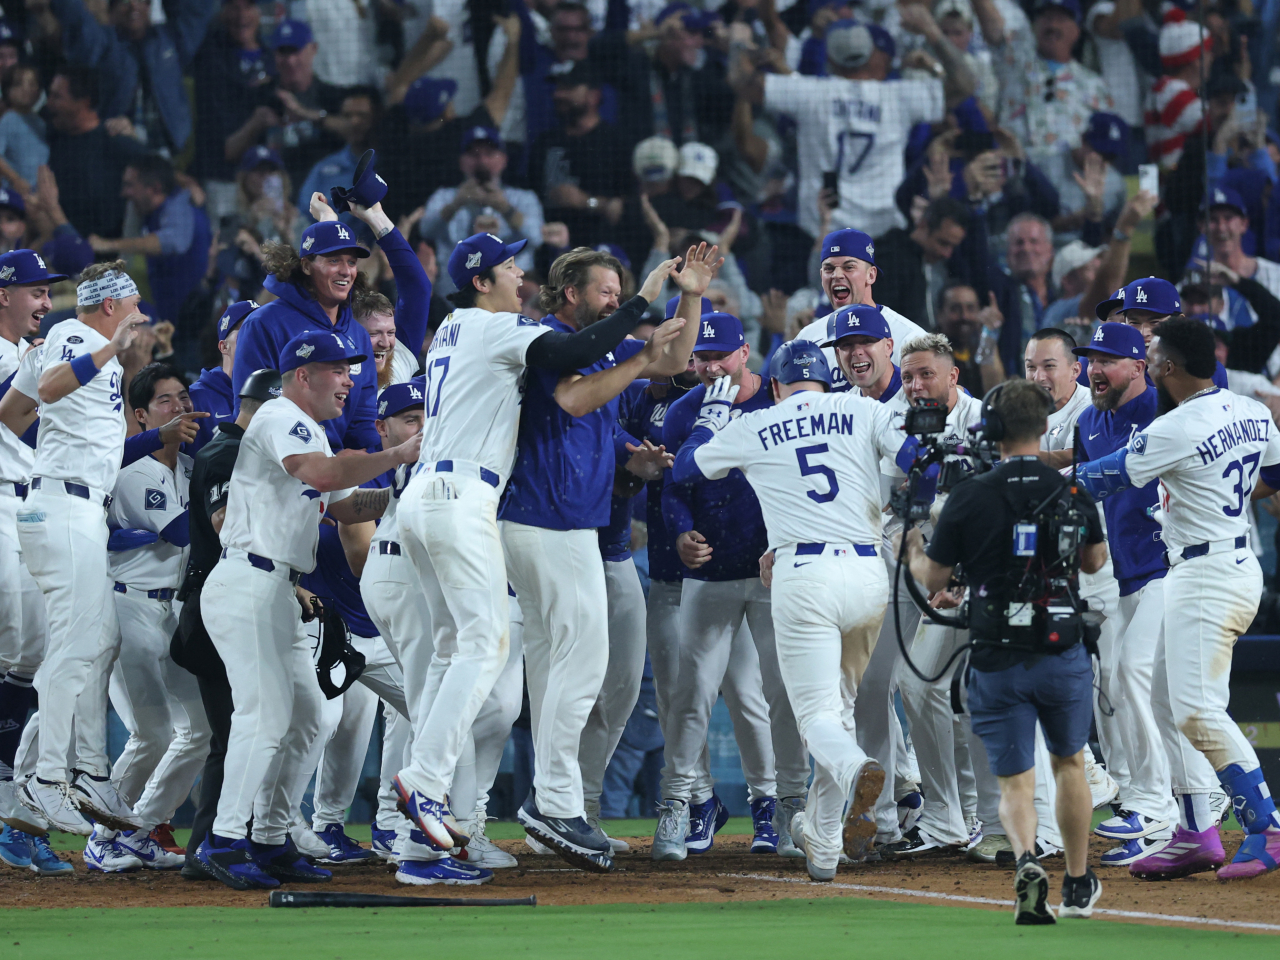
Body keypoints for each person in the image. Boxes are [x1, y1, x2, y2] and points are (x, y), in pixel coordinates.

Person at [671, 340, 915, 880]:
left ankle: (856, 768)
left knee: (817, 721)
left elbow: (686, 469)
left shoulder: (760, 422)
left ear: (777, 386)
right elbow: (914, 458)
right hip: (868, 570)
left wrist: (709, 421)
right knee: (841, 709)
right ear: (826, 382)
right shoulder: (863, 408)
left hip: (803, 575)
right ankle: (823, 844)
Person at [501, 244, 708, 870]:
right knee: (583, 664)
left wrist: (691, 294)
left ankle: (554, 805)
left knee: (561, 668)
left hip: (566, 527)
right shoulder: (546, 341)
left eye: (620, 293)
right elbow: (575, 398)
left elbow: (670, 357)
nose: (616, 302)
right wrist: (640, 348)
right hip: (547, 521)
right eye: (605, 293)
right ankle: (555, 804)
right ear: (571, 294)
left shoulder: (605, 347)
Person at [194, 331, 422, 891]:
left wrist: (400, 491)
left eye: (351, 370)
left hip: (276, 587)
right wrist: (395, 455)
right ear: (303, 375)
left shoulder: (307, 429)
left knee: (312, 717)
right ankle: (223, 841)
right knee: (264, 716)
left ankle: (271, 839)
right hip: (248, 579)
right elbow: (322, 476)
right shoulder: (280, 415)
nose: (350, 380)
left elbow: (341, 505)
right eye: (338, 370)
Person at [1081, 317, 1280, 880]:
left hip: (1204, 573)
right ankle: (1197, 832)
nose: (1151, 358)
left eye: (1155, 353)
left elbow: (1106, 477)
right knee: (1166, 698)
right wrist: (1226, 496)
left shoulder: (1178, 425)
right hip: (1235, 559)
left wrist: (1040, 478)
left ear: (1167, 366)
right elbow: (1277, 474)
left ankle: (1266, 826)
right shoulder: (1251, 409)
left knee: (1196, 709)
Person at [906, 378, 1107, 923]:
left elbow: (935, 579)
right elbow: (1094, 562)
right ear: (1044, 426)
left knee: (1015, 778)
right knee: (1069, 765)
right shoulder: (1072, 491)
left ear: (991, 432)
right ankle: (1079, 878)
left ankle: (1024, 858)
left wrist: (912, 548)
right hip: (1062, 648)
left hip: (995, 651)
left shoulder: (972, 494)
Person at [655, 310, 804, 861]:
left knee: (776, 695)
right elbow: (674, 486)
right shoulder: (685, 409)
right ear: (690, 360)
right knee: (690, 693)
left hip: (773, 571)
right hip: (711, 569)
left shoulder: (780, 398)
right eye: (702, 356)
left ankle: (780, 806)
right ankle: (678, 805)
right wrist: (679, 533)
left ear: (746, 354)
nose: (712, 365)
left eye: (722, 355)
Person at [9, 261, 145, 836]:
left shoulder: (82, 346)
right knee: (74, 644)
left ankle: (81, 771)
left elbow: (13, 414)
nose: (142, 314)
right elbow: (45, 389)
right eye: (134, 304)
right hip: (65, 506)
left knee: (99, 641)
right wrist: (113, 346)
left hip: (73, 506)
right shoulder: (78, 335)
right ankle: (43, 779)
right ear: (110, 306)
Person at [96, 362, 207, 871]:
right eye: (166, 400)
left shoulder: (188, 468)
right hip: (130, 605)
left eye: (184, 397)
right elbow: (184, 533)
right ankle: (103, 835)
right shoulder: (135, 470)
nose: (180, 406)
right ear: (140, 415)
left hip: (173, 610)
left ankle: (140, 827)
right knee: (151, 732)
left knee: (201, 730)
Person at [170, 367, 279, 881]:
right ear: (260, 408)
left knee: (241, 728)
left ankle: (222, 843)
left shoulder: (244, 451)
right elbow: (224, 522)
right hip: (216, 606)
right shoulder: (225, 453)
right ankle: (207, 848)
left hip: (230, 602)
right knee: (231, 731)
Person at [736, 18, 970, 242]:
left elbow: (740, 80)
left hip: (822, 232)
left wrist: (738, 42)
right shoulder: (899, 96)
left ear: (830, 59)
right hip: (881, 233)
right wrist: (932, 30)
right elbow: (965, 83)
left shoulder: (811, 93)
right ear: (870, 55)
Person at [892, 333, 985, 858]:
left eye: (926, 374)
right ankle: (949, 815)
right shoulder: (900, 423)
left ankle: (994, 816)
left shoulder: (983, 420)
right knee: (918, 682)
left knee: (981, 695)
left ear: (953, 375)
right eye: (907, 376)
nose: (916, 385)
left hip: (986, 580)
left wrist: (963, 575)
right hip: (939, 577)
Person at [0, 249, 70, 875]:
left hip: (31, 506)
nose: (46, 303)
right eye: (36, 292)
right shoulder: (16, 356)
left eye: (49, 293)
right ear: (3, 294)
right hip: (3, 502)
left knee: (36, 658)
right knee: (24, 656)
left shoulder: (30, 355)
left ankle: (13, 812)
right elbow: (17, 420)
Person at [47, 0, 214, 154]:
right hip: (117, 149)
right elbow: (77, 21)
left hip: (167, 151)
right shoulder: (103, 43)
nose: (134, 6)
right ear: (111, 11)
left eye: (141, 0)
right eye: (124, 1)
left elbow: (197, 9)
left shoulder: (170, 39)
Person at [970, 0, 1114, 166]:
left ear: (1076, 29)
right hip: (1017, 170)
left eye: (1061, 19)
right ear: (1034, 25)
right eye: (1046, 17)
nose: (1052, 25)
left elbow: (1105, 144)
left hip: (1069, 175)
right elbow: (994, 33)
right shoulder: (1015, 62)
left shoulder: (1094, 84)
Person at [793, 228, 928, 393]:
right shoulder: (808, 339)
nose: (837, 275)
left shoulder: (909, 338)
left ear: (871, 275)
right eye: (829, 269)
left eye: (849, 267)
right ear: (821, 276)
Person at [87, 154, 212, 326]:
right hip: (172, 317)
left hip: (195, 321)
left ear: (155, 188)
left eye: (130, 186)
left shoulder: (181, 207)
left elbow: (173, 242)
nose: (124, 193)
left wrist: (108, 245)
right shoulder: (153, 211)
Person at [419, 126, 544, 289]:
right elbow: (426, 230)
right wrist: (456, 204)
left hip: (511, 290)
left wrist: (505, 208)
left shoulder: (522, 198)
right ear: (461, 161)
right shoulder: (445, 196)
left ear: (503, 159)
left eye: (489, 154)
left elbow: (537, 238)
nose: (482, 161)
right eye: (474, 154)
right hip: (456, 291)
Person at [527, 60, 632, 250]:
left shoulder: (617, 142)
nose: (558, 94)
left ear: (593, 95)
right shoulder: (544, 142)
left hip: (599, 248)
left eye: (568, 87)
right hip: (548, 250)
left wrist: (586, 202)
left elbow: (628, 207)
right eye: (558, 87)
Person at [45, 67, 148, 241]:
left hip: (105, 257)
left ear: (84, 102)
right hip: (62, 252)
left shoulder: (117, 143)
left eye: (57, 97)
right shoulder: (55, 137)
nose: (48, 103)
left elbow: (160, 173)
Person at [867, 197, 971, 330]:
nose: (947, 254)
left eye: (952, 247)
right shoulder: (889, 259)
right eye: (943, 243)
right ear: (923, 225)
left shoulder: (931, 264)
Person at [295, 90, 378, 222]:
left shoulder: (390, 165)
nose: (354, 122)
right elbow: (304, 212)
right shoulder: (324, 168)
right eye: (347, 116)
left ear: (375, 118)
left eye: (362, 115)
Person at [188, 301, 257, 452]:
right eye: (248, 330)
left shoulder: (279, 394)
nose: (258, 337)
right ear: (224, 346)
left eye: (263, 331)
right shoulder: (195, 398)